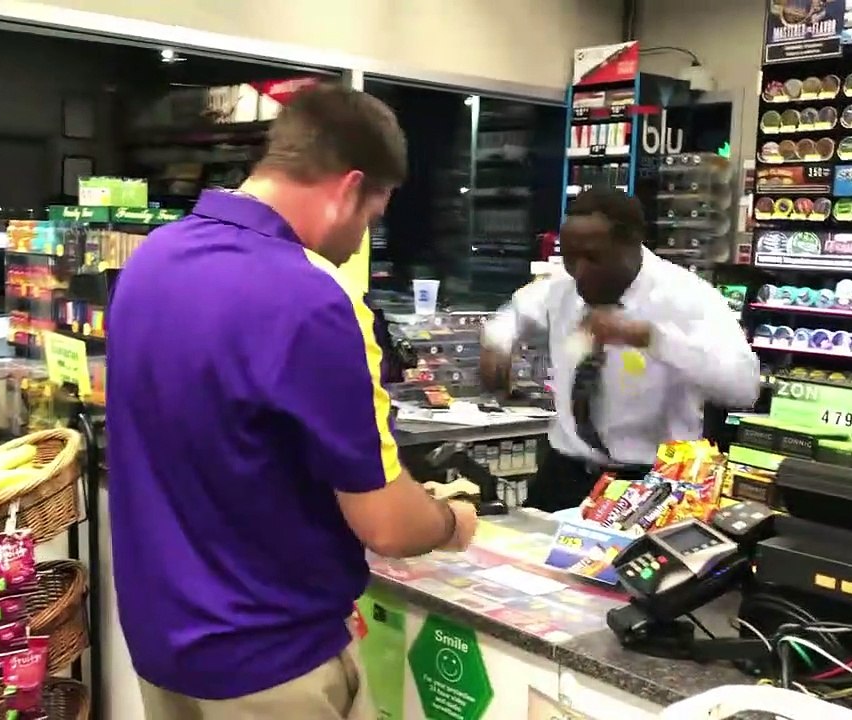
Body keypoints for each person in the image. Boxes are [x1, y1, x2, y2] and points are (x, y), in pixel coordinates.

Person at [106, 84, 479, 720]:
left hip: (161, 641)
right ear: (348, 187)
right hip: (272, 660)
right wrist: (451, 523)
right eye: (372, 215)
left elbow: (227, 444)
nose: (363, 238)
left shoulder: (153, 260)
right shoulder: (311, 300)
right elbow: (387, 525)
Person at [479, 188, 761, 512]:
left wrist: (653, 339)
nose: (579, 271)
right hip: (566, 474)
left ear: (632, 245)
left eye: (593, 257)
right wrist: (498, 344)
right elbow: (514, 313)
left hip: (649, 485)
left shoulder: (689, 299)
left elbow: (744, 387)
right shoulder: (564, 287)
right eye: (570, 257)